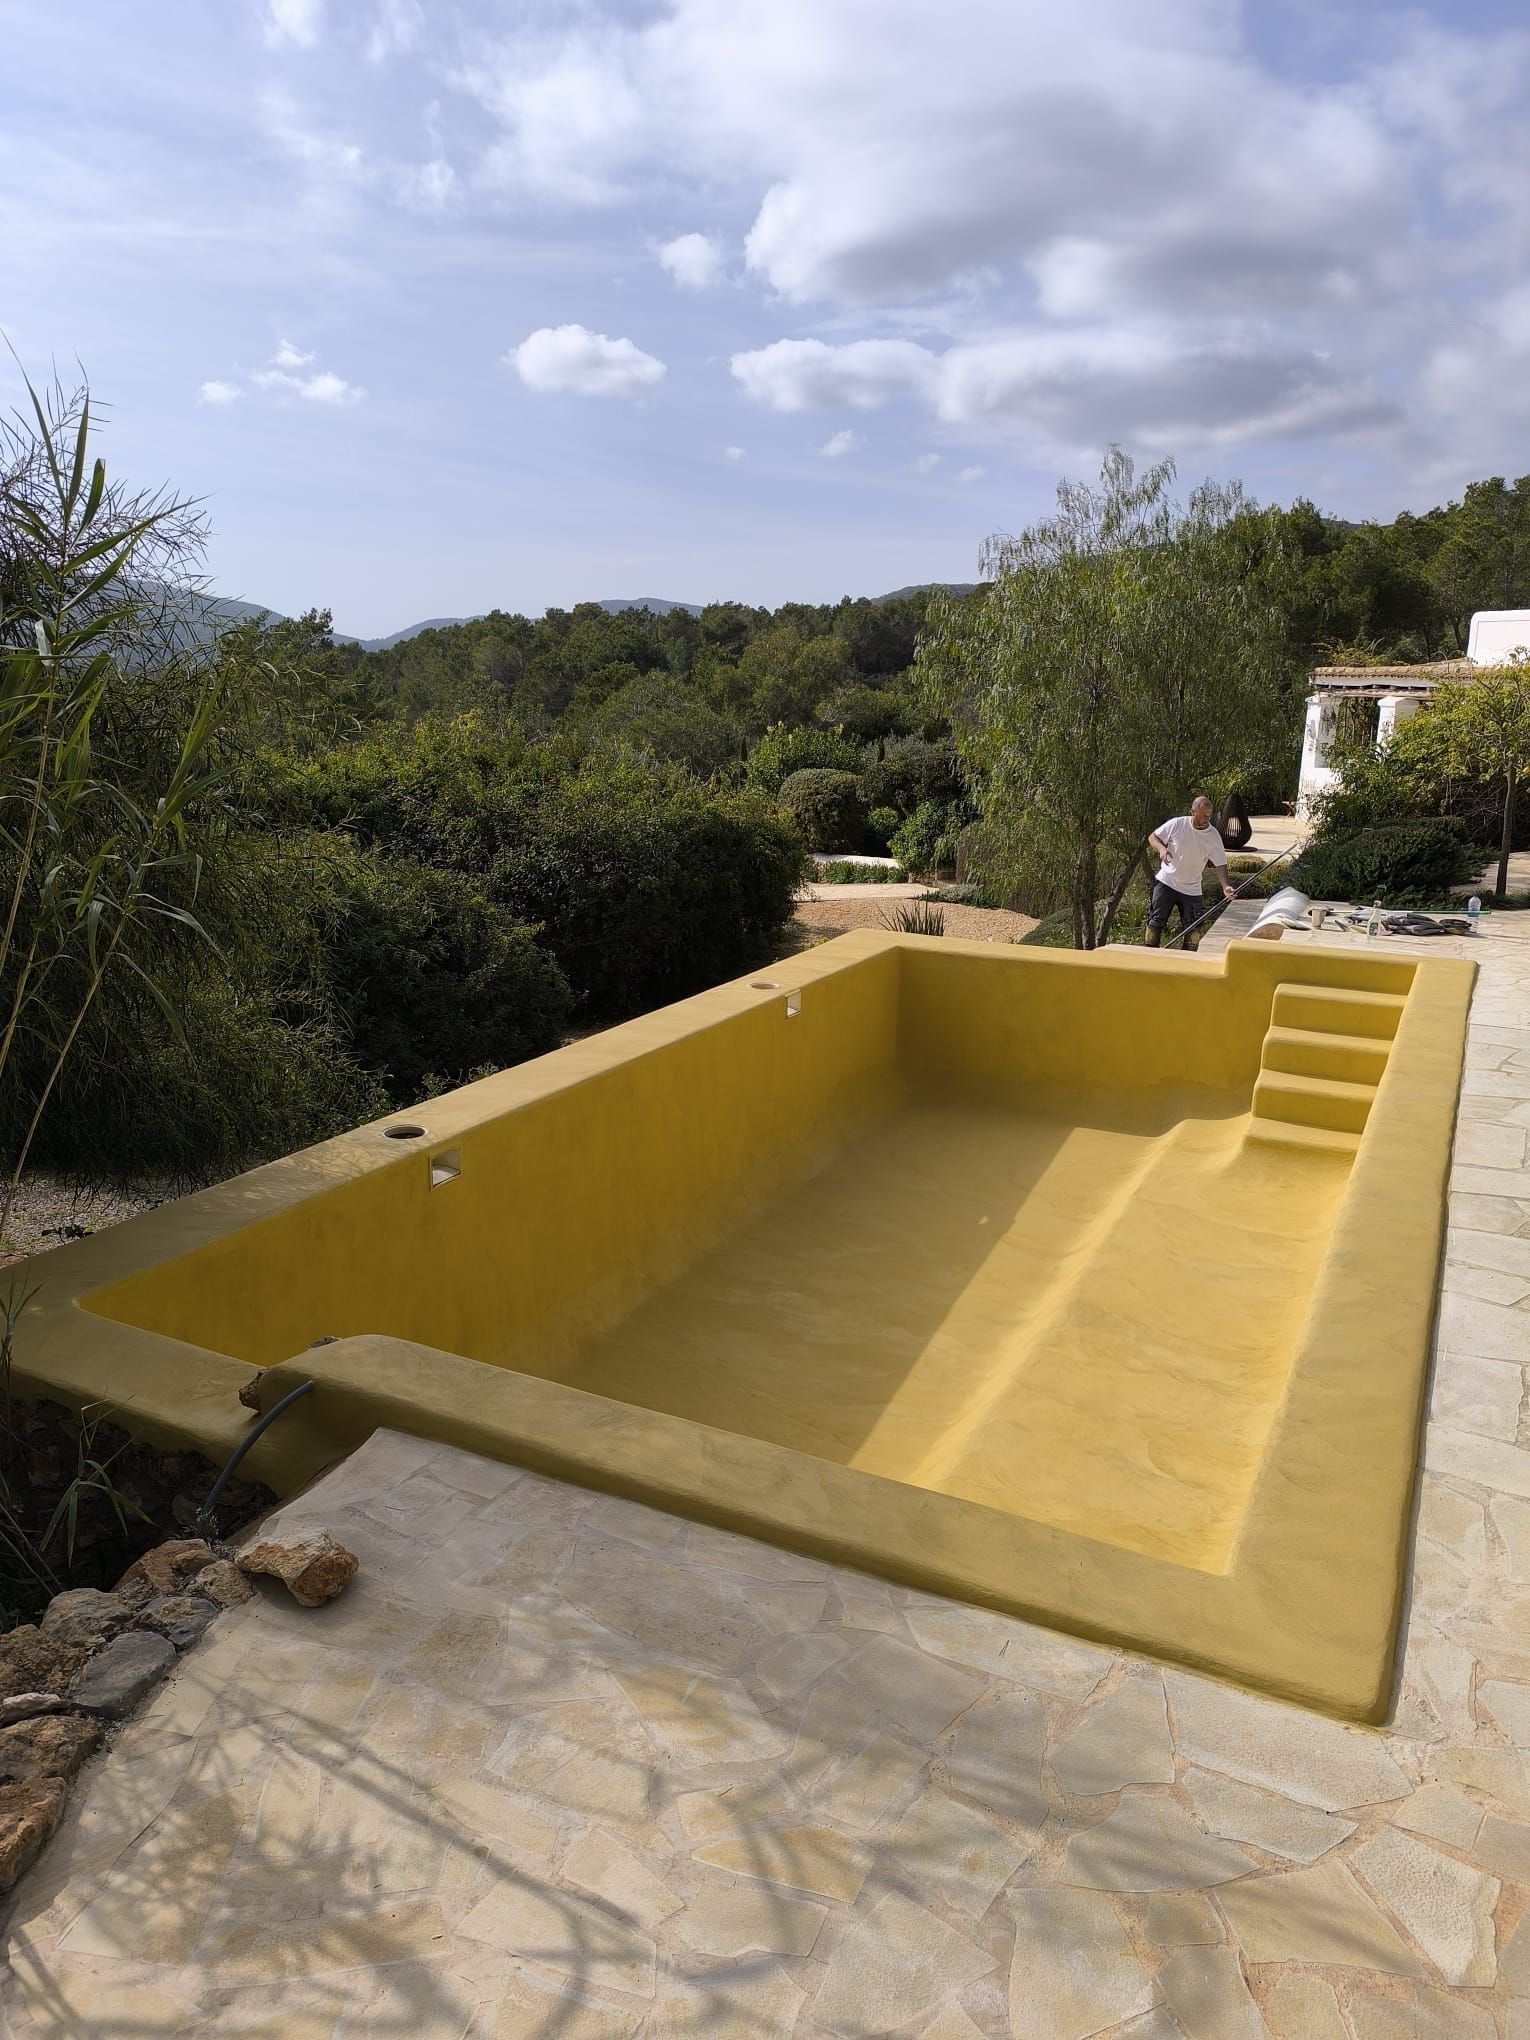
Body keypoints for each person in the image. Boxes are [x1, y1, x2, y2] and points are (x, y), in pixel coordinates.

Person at [1144, 794, 1235, 949]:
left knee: (1193, 934)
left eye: (1209, 815)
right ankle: (1149, 957)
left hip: (1192, 889)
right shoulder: (1177, 824)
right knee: (1154, 925)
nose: (1207, 819)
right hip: (1167, 882)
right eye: (1203, 815)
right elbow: (1153, 837)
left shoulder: (1213, 836)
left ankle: (1186, 961)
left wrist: (1225, 886)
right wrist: (1162, 849)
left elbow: (1220, 863)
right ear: (1192, 812)